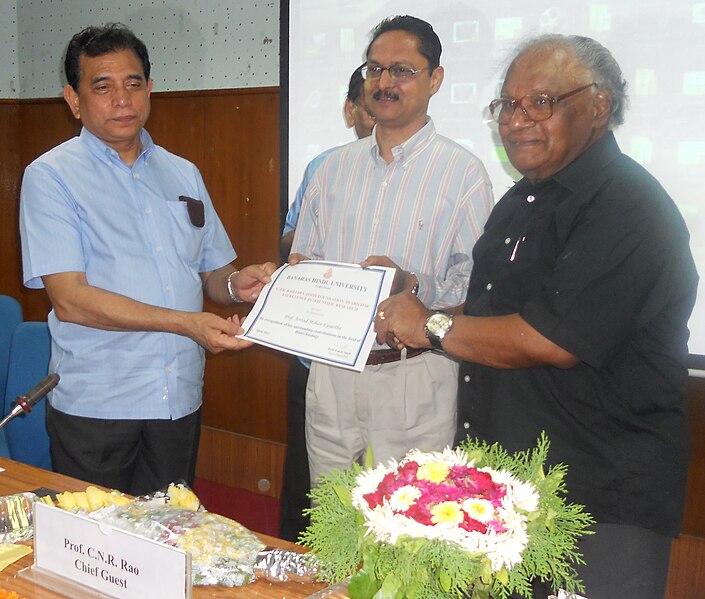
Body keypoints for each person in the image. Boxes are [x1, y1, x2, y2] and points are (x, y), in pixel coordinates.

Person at [373, 34, 697, 598]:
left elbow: (550, 337)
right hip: (508, 490)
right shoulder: (522, 200)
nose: (517, 121)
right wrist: (420, 304)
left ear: (598, 106)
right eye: (507, 105)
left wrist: (429, 327)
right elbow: (491, 311)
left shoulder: (627, 206)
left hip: (597, 500)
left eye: (540, 102)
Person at [19, 24, 276, 496]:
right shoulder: (50, 177)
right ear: (73, 100)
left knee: (166, 542)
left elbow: (214, 275)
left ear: (150, 90)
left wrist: (241, 282)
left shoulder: (183, 172)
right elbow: (72, 301)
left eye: (133, 83)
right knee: (93, 557)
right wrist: (187, 324)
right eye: (103, 86)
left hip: (177, 400)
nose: (122, 99)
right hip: (98, 407)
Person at [290, 15, 493, 490]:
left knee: (411, 530)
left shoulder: (462, 174)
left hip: (414, 375)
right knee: (329, 524)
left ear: (435, 79)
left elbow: (476, 289)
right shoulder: (330, 170)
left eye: (401, 70)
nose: (383, 83)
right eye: (374, 69)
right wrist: (293, 282)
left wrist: (413, 284)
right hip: (332, 375)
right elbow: (303, 260)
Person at [279, 64, 375, 541]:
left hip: (391, 362)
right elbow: (289, 241)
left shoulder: (448, 169)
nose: (379, 113)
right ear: (351, 110)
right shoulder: (326, 166)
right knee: (310, 486)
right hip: (320, 355)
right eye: (369, 103)